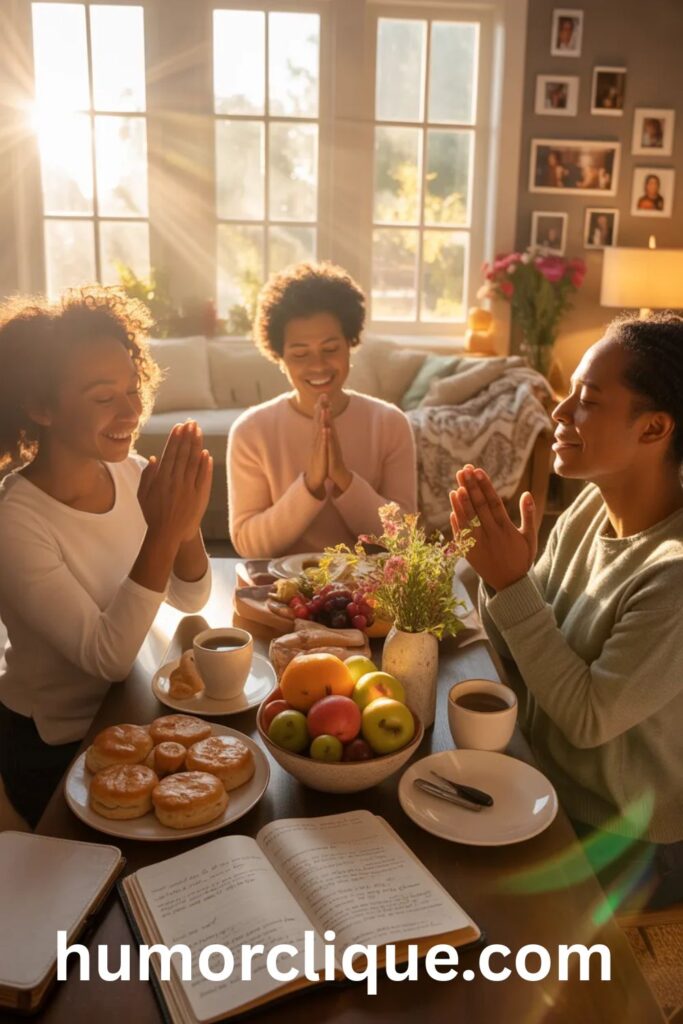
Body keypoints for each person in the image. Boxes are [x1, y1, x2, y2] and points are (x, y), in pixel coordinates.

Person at [449, 313, 683, 910]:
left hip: (623, 839)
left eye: (588, 401)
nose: (558, 413)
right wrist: (503, 580)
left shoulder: (673, 573)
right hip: (543, 783)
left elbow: (585, 716)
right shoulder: (585, 512)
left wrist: (512, 583)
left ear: (654, 428)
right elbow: (520, 657)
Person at [0, 287, 213, 827]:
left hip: (129, 717)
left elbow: (191, 595)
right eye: (103, 397)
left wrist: (185, 527)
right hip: (60, 744)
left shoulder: (127, 470)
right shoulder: (17, 520)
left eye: (132, 388)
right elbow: (106, 656)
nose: (131, 410)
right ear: (40, 407)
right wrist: (162, 532)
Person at [228, 261, 417, 557]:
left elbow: (405, 540)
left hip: (369, 595)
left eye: (330, 349)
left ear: (350, 344)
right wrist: (310, 486)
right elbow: (249, 546)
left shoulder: (390, 423)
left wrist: (344, 478)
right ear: (280, 357)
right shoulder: (251, 431)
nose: (317, 365)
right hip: (281, 595)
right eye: (300, 353)